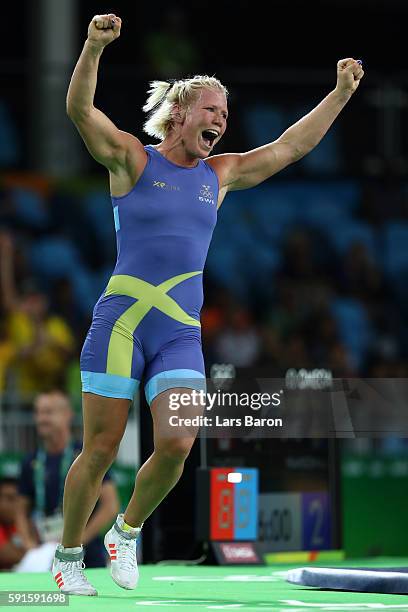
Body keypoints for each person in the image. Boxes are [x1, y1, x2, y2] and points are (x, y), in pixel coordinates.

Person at [52, 12, 364, 596]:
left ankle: (127, 530)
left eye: (225, 113)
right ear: (180, 113)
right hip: (120, 322)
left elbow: (291, 146)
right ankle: (68, 556)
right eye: (211, 109)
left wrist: (340, 95)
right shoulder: (132, 160)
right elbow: (79, 111)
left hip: (178, 331)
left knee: (176, 444)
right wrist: (93, 47)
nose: (220, 119)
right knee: (99, 449)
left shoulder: (219, 174)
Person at [18, 390, 119, 570]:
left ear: (67, 415)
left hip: (88, 557)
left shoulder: (87, 456)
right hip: (45, 556)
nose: (41, 419)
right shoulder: (31, 461)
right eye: (38, 412)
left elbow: (110, 506)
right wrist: (29, 545)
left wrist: (75, 542)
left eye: (48, 412)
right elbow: (20, 511)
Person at [0, 477, 26, 570]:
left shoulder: (23, 524)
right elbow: (6, 553)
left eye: (12, 499)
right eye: (10, 499)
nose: (3, 504)